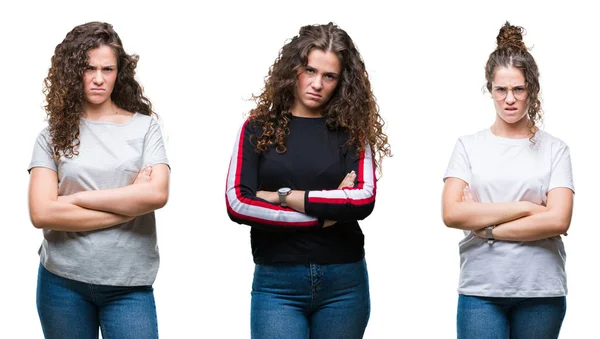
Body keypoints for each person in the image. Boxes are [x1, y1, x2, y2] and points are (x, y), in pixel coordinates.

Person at [225, 22, 391, 338]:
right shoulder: (257, 129)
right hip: (278, 283)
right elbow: (238, 203)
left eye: (329, 76)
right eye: (310, 71)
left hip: (344, 282)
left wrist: (281, 196)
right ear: (293, 70)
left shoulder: (352, 132)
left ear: (341, 82)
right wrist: (323, 217)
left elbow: (362, 199)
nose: (317, 83)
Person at [28, 22, 169, 339]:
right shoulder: (51, 135)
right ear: (73, 71)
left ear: (120, 73)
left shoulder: (145, 128)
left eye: (108, 69)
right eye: (88, 68)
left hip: (129, 284)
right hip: (61, 282)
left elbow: (157, 194)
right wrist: (129, 206)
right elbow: (42, 214)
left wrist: (74, 199)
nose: (98, 78)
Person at [442, 22, 574, 339]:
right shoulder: (468, 146)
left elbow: (558, 219)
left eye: (518, 89)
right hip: (481, 290)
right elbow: (451, 214)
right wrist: (529, 207)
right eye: (501, 90)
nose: (510, 99)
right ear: (490, 90)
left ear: (532, 90)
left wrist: (485, 227)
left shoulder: (556, 149)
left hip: (541, 291)